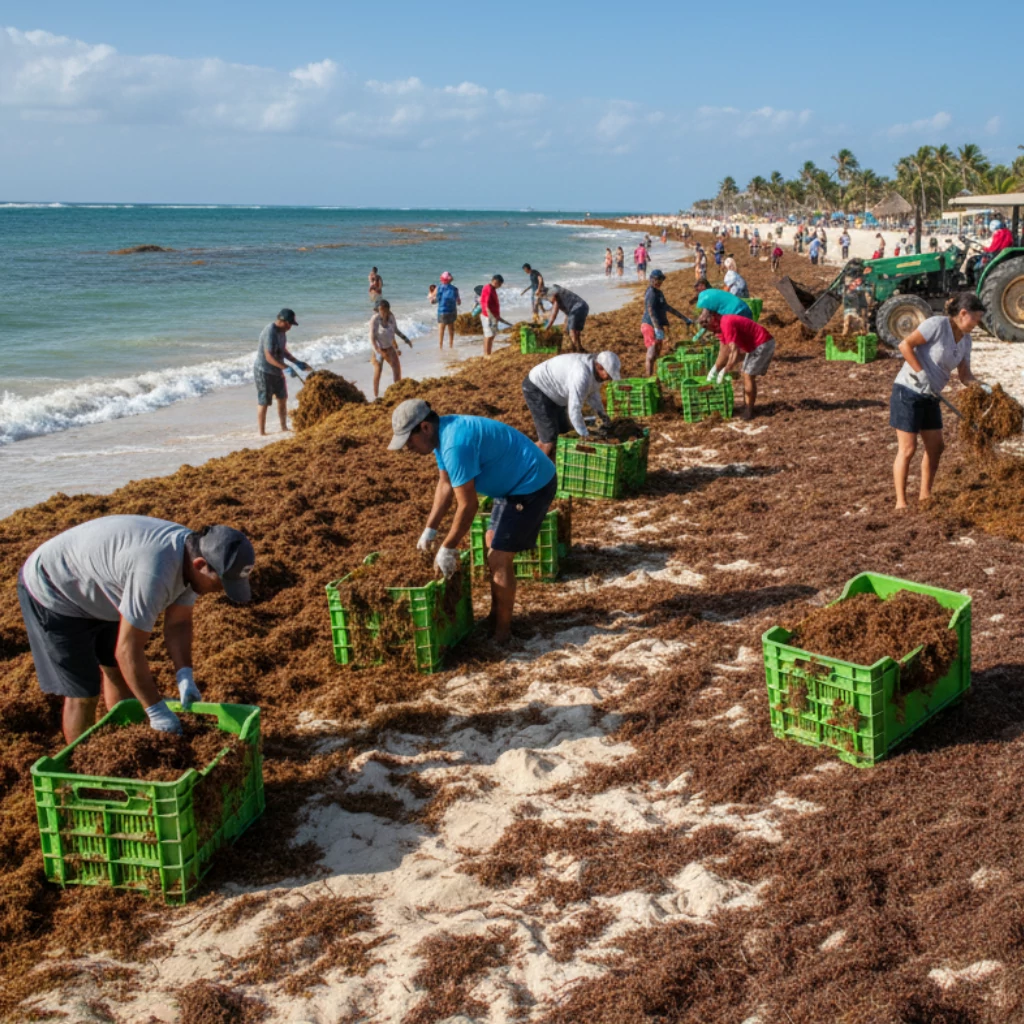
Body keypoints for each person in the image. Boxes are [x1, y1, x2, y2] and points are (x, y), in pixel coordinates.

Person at [17, 516, 255, 743]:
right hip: (54, 588)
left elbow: (178, 623)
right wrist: (156, 710)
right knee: (84, 692)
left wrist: (185, 675)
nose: (220, 591)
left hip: (101, 586)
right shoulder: (155, 572)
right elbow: (127, 651)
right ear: (201, 565)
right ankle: (81, 768)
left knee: (117, 672)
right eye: (221, 584)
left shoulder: (195, 556)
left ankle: (127, 733)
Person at [390, 399, 557, 644]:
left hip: (532, 483)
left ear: (424, 427)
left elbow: (468, 506)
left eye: (408, 440)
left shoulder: (455, 444)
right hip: (511, 485)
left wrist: (448, 547)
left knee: (498, 557)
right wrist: (430, 529)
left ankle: (501, 635)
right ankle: (495, 617)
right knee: (492, 540)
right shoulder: (443, 436)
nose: (407, 448)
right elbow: (445, 484)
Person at [890, 293, 986, 510]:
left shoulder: (966, 340)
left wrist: (983, 386)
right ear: (963, 314)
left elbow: (964, 375)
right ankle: (901, 502)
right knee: (908, 449)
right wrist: (921, 373)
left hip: (931, 396)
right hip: (909, 390)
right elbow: (905, 345)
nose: (978, 323)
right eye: (976, 318)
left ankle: (925, 496)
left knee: (936, 447)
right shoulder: (936, 325)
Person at [522, 350, 621, 458]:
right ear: (599, 367)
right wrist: (585, 436)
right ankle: (530, 463)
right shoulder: (581, 375)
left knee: (564, 433)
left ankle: (547, 462)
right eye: (609, 375)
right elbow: (574, 411)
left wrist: (603, 416)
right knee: (548, 440)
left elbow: (593, 395)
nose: (609, 379)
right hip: (538, 387)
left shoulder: (595, 372)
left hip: (556, 392)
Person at [701, 309, 776, 421]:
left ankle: (749, 410)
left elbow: (735, 351)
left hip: (762, 343)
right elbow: (726, 351)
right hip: (752, 346)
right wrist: (716, 369)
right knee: (746, 374)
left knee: (748, 375)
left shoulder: (726, 323)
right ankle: (747, 405)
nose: (711, 331)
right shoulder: (720, 327)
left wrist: (725, 369)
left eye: (709, 327)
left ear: (713, 319)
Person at [254, 308, 309, 436]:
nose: (290, 327)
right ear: (282, 321)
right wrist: (286, 368)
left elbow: (282, 351)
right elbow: (269, 357)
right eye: (289, 324)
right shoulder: (270, 331)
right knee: (264, 401)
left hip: (277, 370)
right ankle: (261, 432)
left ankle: (284, 427)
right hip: (264, 371)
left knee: (282, 398)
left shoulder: (282, 332)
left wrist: (296, 362)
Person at [643, 269, 693, 376]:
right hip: (649, 325)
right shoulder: (651, 292)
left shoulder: (659, 293)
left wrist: (684, 318)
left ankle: (652, 375)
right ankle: (648, 378)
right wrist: (656, 328)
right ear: (651, 279)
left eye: (661, 280)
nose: (659, 282)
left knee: (657, 353)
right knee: (651, 353)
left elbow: (667, 307)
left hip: (658, 326)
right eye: (657, 279)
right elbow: (650, 310)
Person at [369, 299, 412, 400]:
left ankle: (398, 392)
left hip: (389, 347)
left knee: (397, 369)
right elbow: (371, 337)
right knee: (378, 370)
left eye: (385, 310)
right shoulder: (375, 319)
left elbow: (395, 330)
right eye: (380, 310)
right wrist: (377, 351)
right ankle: (376, 396)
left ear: (388, 309)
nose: (383, 312)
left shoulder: (391, 317)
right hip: (378, 348)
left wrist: (405, 339)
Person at [544, 284, 589, 353]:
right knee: (576, 329)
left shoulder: (554, 296)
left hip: (576, 308)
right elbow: (567, 306)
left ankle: (574, 350)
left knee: (572, 330)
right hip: (584, 306)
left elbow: (554, 315)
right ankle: (579, 347)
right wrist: (566, 320)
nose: (549, 301)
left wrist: (547, 327)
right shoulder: (558, 291)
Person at [479, 274, 513, 356]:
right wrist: (492, 318)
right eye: (500, 284)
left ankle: (488, 353)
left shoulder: (492, 289)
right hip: (488, 317)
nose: (500, 286)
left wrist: (496, 316)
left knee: (492, 335)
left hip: (492, 316)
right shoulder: (489, 289)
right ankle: (486, 354)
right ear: (495, 281)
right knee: (488, 335)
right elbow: (486, 305)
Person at [432, 271, 461, 349]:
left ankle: (440, 346)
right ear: (450, 280)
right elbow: (458, 302)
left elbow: (434, 301)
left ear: (442, 279)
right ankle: (451, 345)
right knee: (451, 329)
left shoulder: (438, 288)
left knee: (441, 330)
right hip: (452, 311)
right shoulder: (455, 289)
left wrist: (431, 298)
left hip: (442, 311)